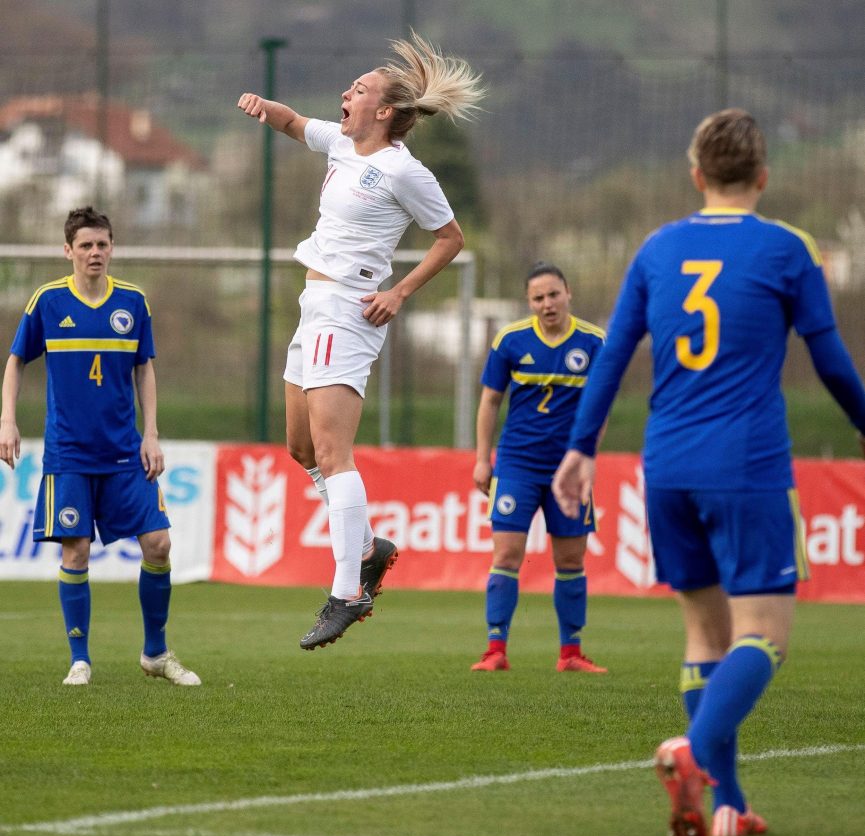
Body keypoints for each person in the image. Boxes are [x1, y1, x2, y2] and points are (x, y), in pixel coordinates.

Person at [553, 108, 865, 836]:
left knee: (703, 633)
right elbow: (828, 360)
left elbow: (613, 355)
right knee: (763, 636)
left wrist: (580, 448)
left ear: (695, 175)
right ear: (761, 175)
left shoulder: (657, 249)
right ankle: (693, 755)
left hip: (667, 466)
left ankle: (726, 803)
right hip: (747, 465)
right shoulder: (788, 248)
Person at [237, 31, 485, 650]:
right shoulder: (342, 144)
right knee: (299, 447)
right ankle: (369, 547)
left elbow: (450, 238)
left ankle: (348, 590)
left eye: (360, 88)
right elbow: (296, 123)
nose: (347, 92)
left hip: (348, 313)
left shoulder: (403, 170)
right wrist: (267, 109)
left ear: (384, 112)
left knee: (332, 453)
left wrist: (399, 293)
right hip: (312, 306)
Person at [0, 207, 200, 687]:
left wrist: (150, 433)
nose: (95, 253)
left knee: (159, 543)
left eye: (102, 244)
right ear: (67, 251)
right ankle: (80, 660)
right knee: (77, 551)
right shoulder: (46, 301)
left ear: (112, 248)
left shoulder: (132, 302)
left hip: (125, 454)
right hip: (68, 455)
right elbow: (15, 361)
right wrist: (7, 420)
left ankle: (155, 652)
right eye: (85, 245)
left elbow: (144, 367)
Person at [471, 263, 607, 674]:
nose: (547, 304)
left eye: (553, 294)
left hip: (567, 469)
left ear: (568, 293)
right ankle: (496, 649)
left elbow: (598, 409)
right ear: (529, 302)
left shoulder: (595, 342)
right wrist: (482, 458)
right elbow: (490, 400)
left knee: (570, 559)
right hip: (517, 464)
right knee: (507, 554)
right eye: (538, 298)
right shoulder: (511, 340)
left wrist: (586, 460)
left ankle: (571, 653)